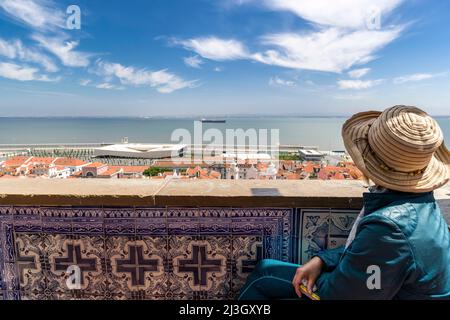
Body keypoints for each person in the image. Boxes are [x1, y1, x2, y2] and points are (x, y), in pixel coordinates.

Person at [238, 105, 450, 300]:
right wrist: (324, 260)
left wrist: (321, 270)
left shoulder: (389, 227)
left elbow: (340, 294)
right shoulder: (423, 204)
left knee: (263, 276)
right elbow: (370, 253)